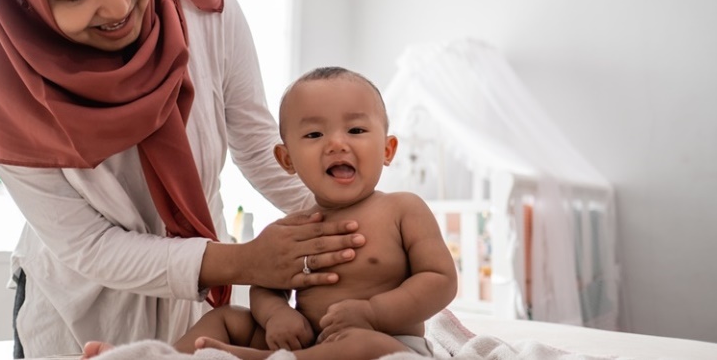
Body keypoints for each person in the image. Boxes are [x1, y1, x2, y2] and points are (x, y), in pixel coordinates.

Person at [0, 0, 365, 358]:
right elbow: (90, 246)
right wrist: (245, 261)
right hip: (81, 309)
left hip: (192, 306)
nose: (117, 6)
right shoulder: (5, 97)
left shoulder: (209, 16)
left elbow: (259, 148)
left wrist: (362, 220)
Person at [83, 67, 459, 359]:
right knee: (227, 318)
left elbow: (440, 278)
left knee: (363, 346)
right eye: (314, 135)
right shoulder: (292, 229)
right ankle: (159, 357)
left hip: (388, 343)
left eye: (357, 129)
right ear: (287, 159)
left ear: (388, 149)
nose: (336, 144)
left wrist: (374, 313)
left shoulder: (402, 209)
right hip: (304, 340)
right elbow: (265, 285)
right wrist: (277, 315)